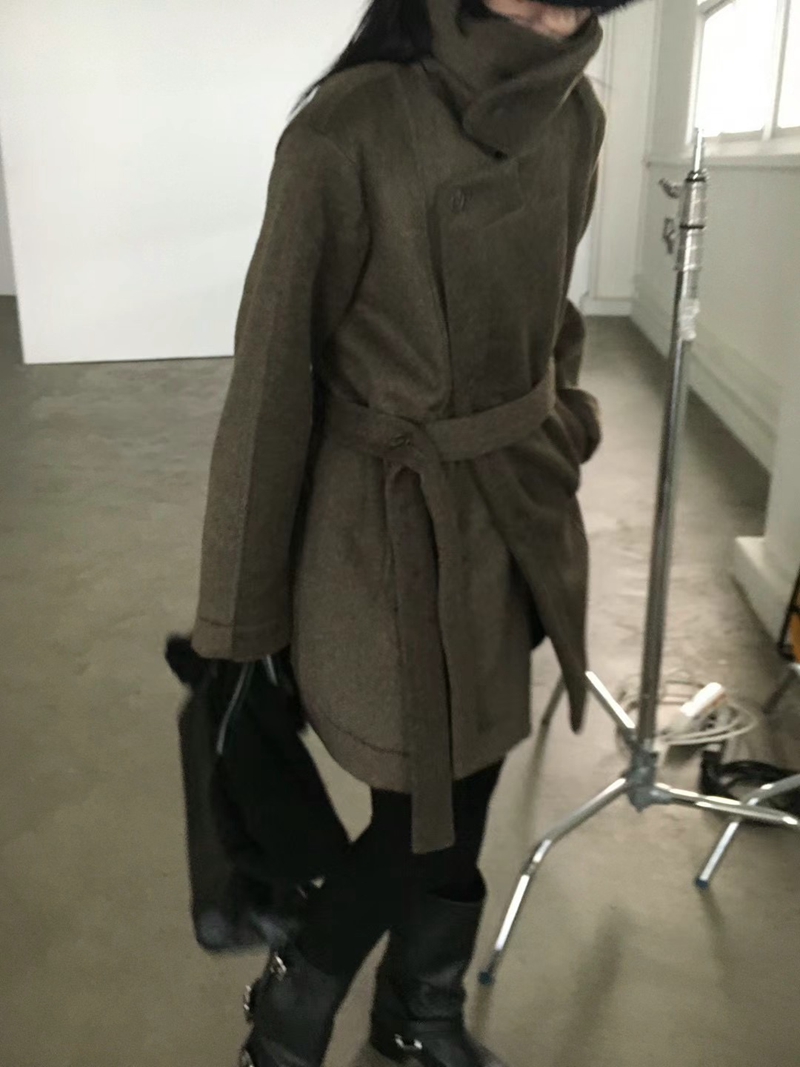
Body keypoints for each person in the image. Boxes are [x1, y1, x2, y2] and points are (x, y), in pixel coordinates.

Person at [191, 1, 641, 1064]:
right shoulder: (345, 131)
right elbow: (269, 384)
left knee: (472, 767)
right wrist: (238, 618)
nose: (558, 17)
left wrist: (560, 417)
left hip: (513, 510)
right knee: (418, 801)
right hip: (382, 530)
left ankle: (416, 1013)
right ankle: (296, 1006)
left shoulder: (577, 115)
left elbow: (551, 309)